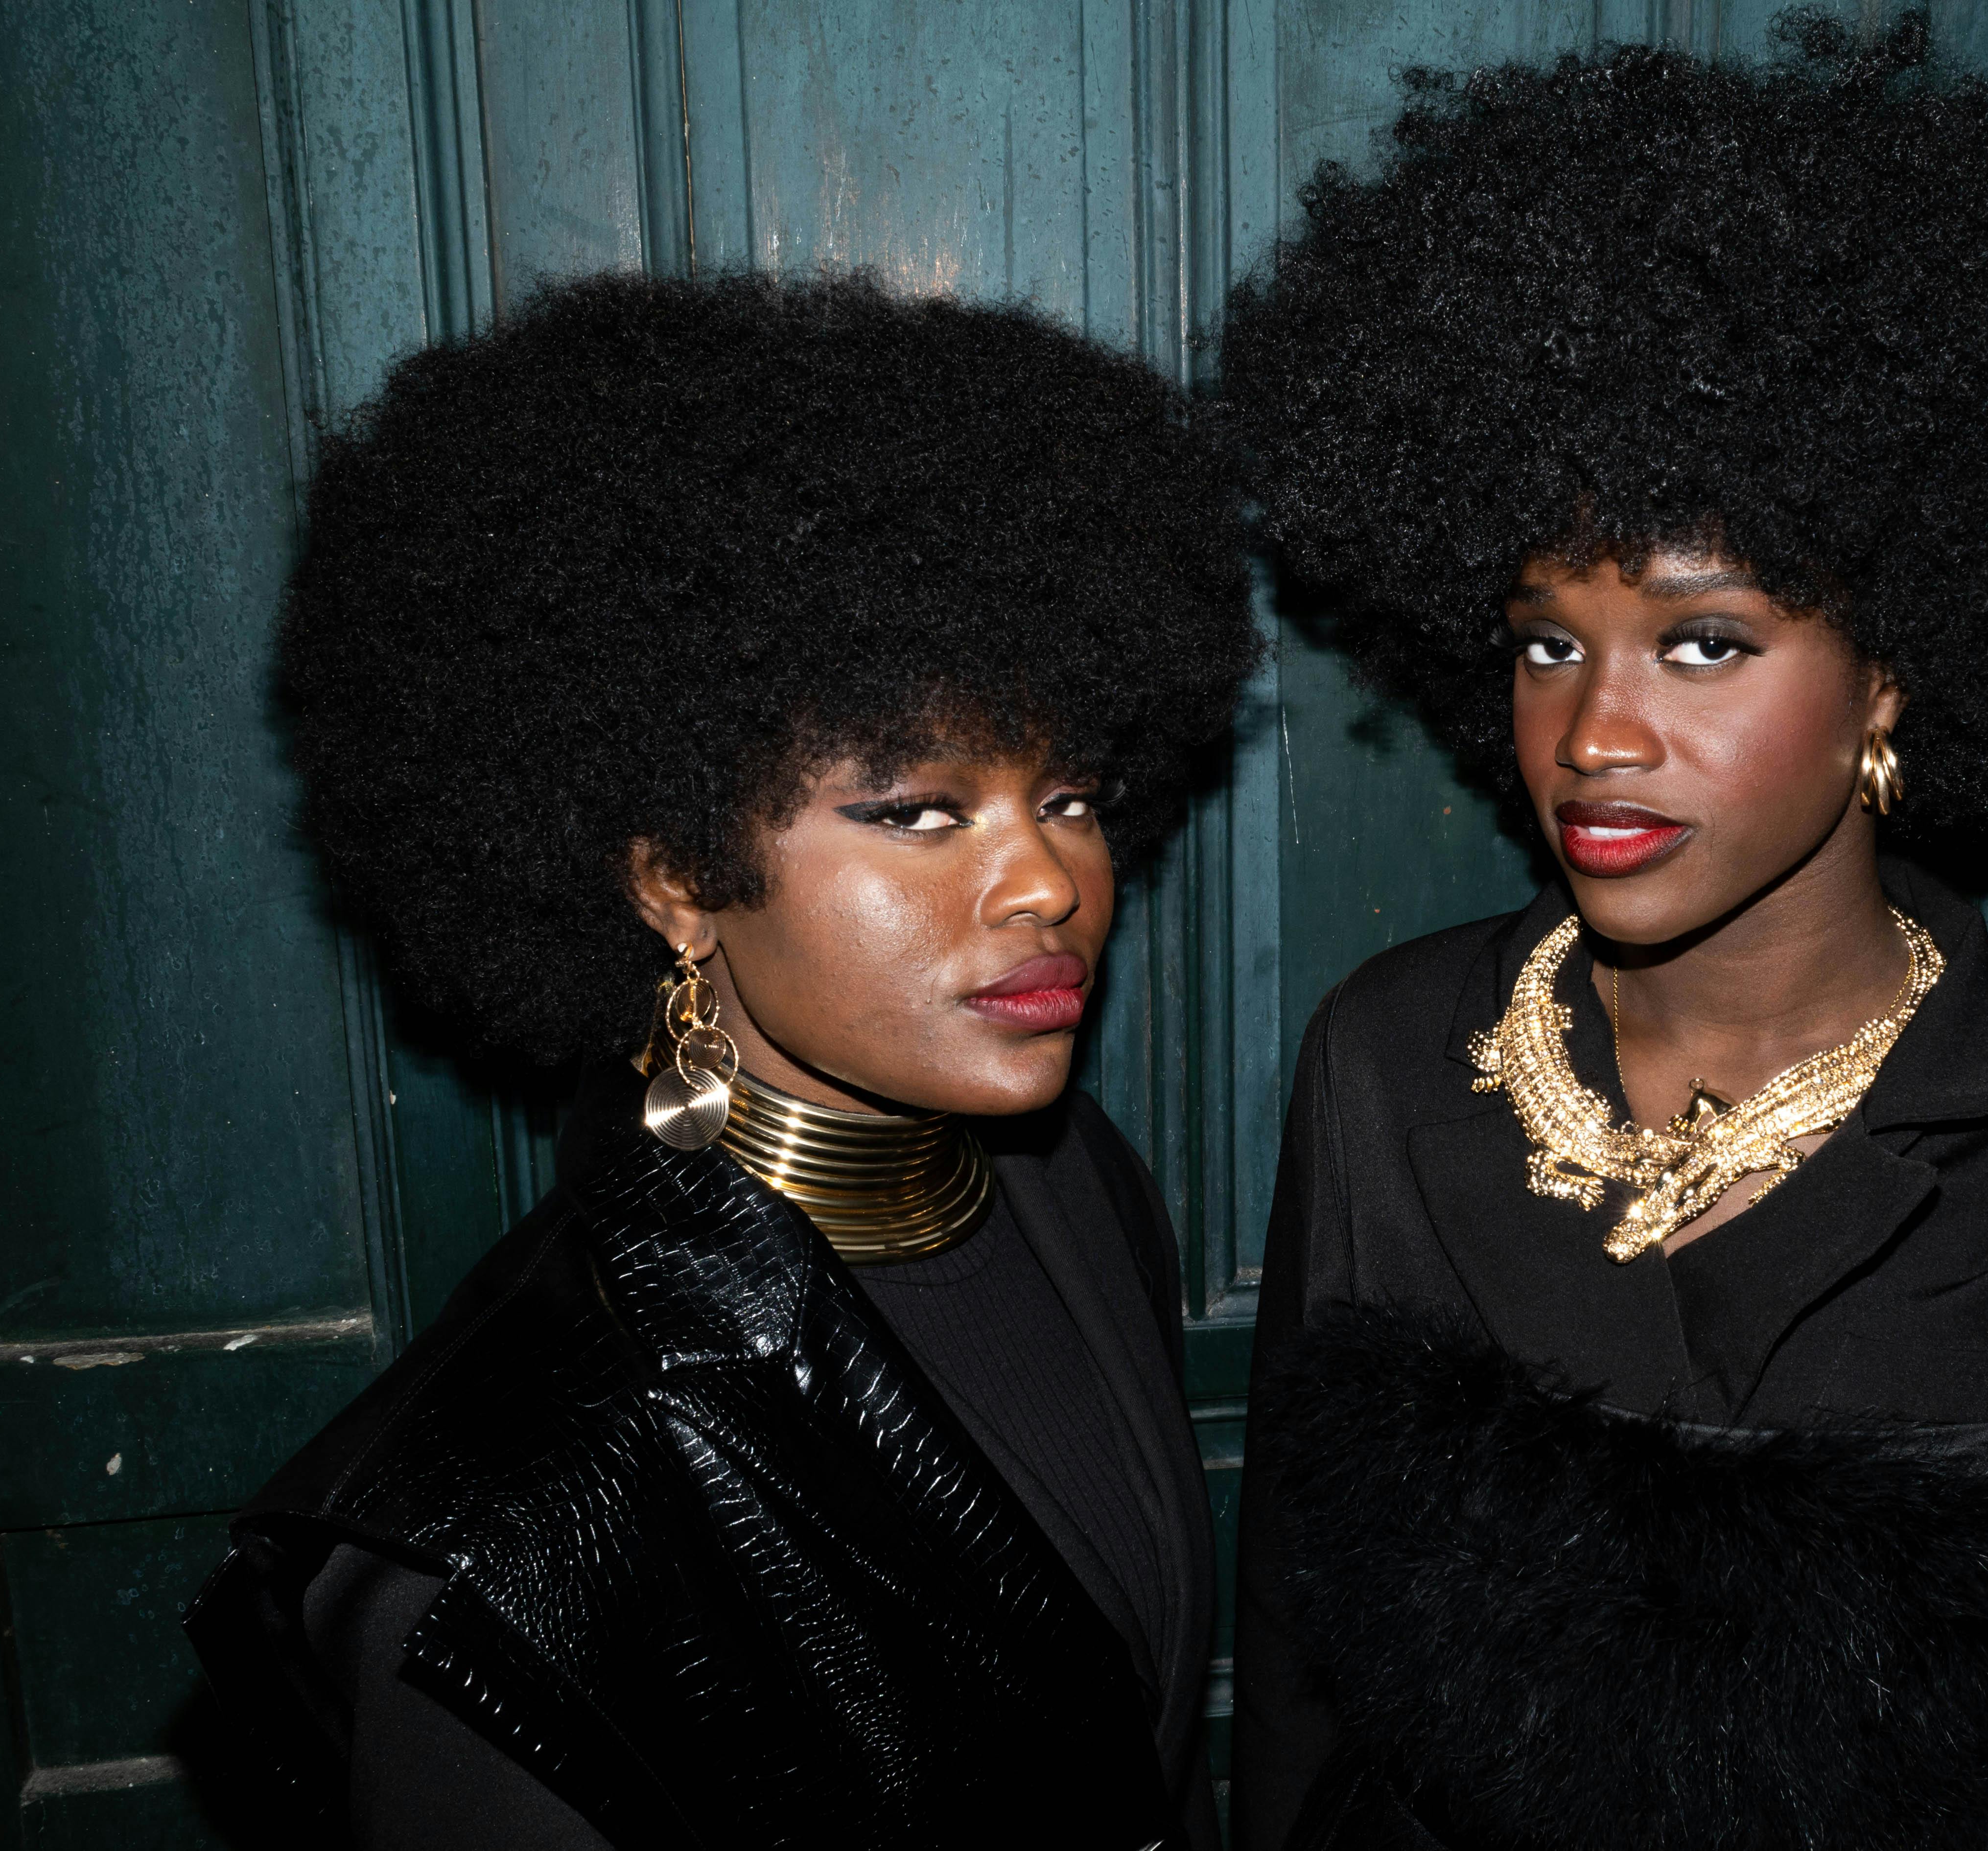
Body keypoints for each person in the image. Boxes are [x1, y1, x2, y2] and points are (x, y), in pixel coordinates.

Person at [1216, 20, 1988, 1851]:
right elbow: (1298, 1689)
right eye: (1542, 639)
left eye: (1704, 642)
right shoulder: (1387, 1058)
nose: (1592, 731)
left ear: (1892, 675)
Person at [186, 271, 1261, 1850]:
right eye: (918, 810)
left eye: (1076, 796)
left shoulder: (1068, 1187)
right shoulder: (502, 1542)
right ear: (676, 879)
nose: (1047, 884)